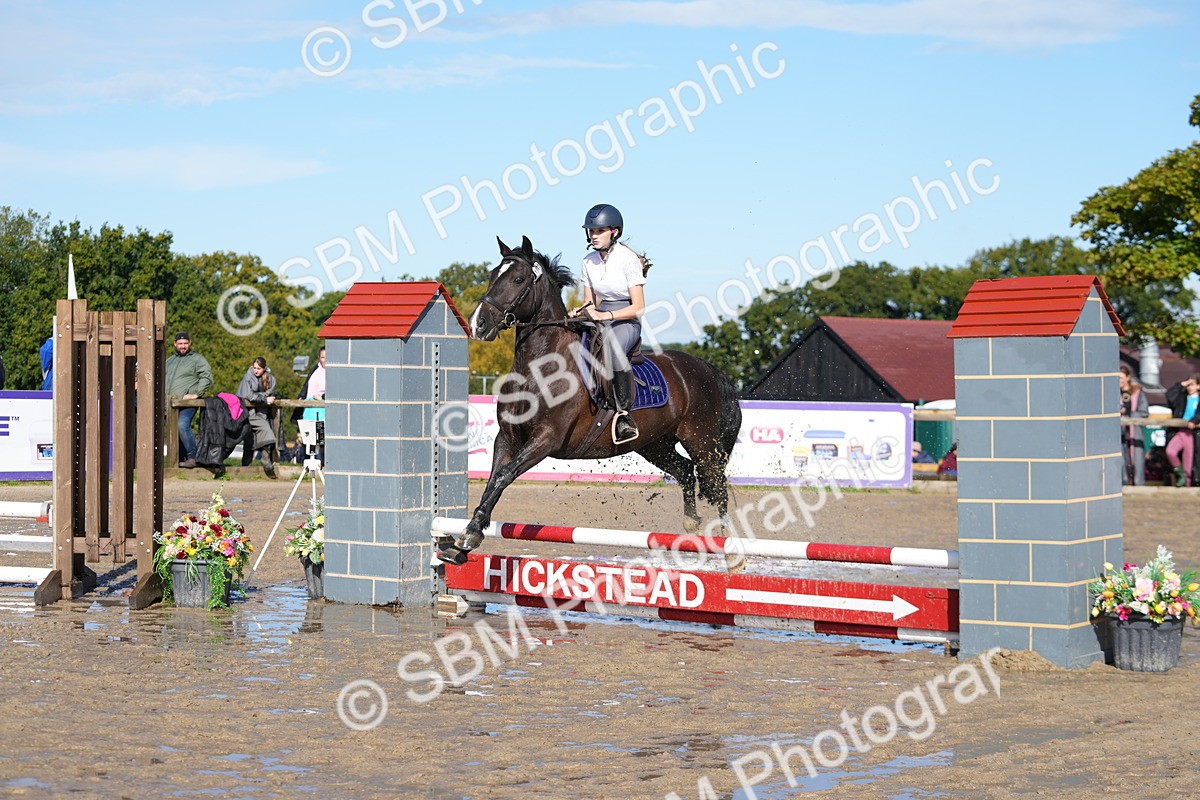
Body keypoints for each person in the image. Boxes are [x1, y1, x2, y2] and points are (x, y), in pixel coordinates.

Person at [567, 203, 646, 444]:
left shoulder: (628, 259)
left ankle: (624, 415)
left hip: (626, 319)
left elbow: (639, 307)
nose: (593, 236)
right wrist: (580, 311)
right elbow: (590, 302)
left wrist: (607, 316)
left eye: (599, 231)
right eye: (591, 231)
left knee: (612, 349)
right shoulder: (587, 261)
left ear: (615, 232)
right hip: (601, 314)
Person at [165, 332, 213, 468]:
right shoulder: (170, 361)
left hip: (187, 403)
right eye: (180, 344)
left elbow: (207, 376)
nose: (183, 346)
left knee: (182, 425)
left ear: (190, 343)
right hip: (170, 404)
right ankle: (180, 459)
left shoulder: (197, 359)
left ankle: (193, 456)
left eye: (185, 343)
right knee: (173, 431)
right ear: (175, 344)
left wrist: (197, 394)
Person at [237, 356, 279, 478]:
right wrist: (264, 399)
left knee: (261, 431)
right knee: (255, 434)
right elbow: (249, 395)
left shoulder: (271, 379)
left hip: (261, 411)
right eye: (254, 368)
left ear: (264, 368)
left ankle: (263, 459)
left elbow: (269, 393)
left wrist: (262, 398)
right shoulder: (248, 376)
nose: (256, 371)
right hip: (246, 411)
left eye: (259, 369)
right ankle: (248, 466)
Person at [291, 346, 326, 464]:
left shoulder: (334, 372)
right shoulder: (315, 369)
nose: (325, 360)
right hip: (309, 408)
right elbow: (307, 386)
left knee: (321, 439)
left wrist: (322, 398)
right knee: (307, 439)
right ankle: (305, 465)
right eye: (322, 357)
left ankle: (323, 465)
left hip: (322, 410)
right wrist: (301, 398)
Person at [1164, 374, 1199, 487]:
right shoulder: (1182, 397)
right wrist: (1181, 385)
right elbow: (1170, 395)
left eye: (1192, 385)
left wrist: (1194, 421)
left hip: (1192, 433)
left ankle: (1187, 483)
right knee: (1171, 451)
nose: (1189, 387)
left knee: (1188, 460)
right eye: (1188, 385)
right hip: (1180, 430)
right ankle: (1180, 474)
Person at [1119, 365, 1148, 486]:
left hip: (1134, 431)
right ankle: (1123, 484)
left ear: (1128, 377)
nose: (1119, 381)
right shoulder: (1113, 392)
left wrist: (1130, 413)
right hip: (1119, 432)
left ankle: (1138, 485)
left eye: (1121, 378)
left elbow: (1144, 412)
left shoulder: (1137, 392)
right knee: (1121, 459)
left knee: (1137, 459)